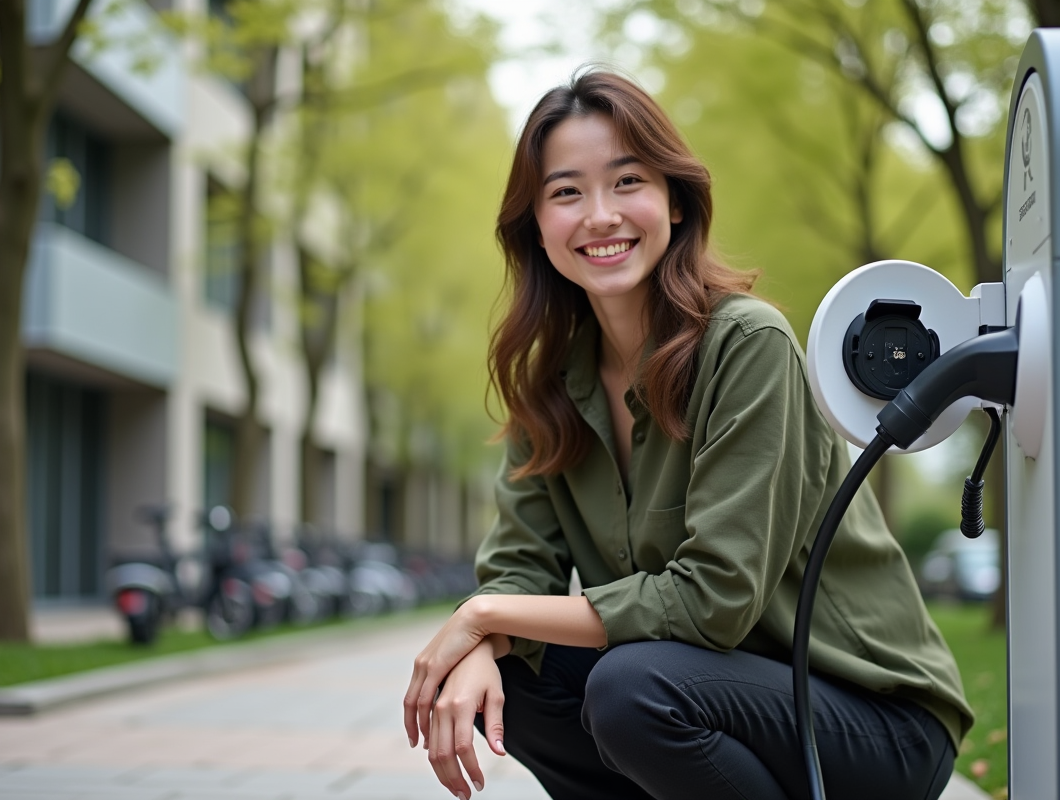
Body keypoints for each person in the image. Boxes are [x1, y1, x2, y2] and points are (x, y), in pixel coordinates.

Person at [403, 70, 971, 800]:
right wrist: (484, 642)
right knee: (511, 673)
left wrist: (479, 615)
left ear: (673, 200)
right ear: (536, 227)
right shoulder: (551, 384)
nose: (600, 215)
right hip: (706, 699)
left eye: (627, 181)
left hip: (867, 718)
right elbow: (521, 567)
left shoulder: (747, 344)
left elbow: (713, 601)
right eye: (567, 192)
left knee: (630, 687)